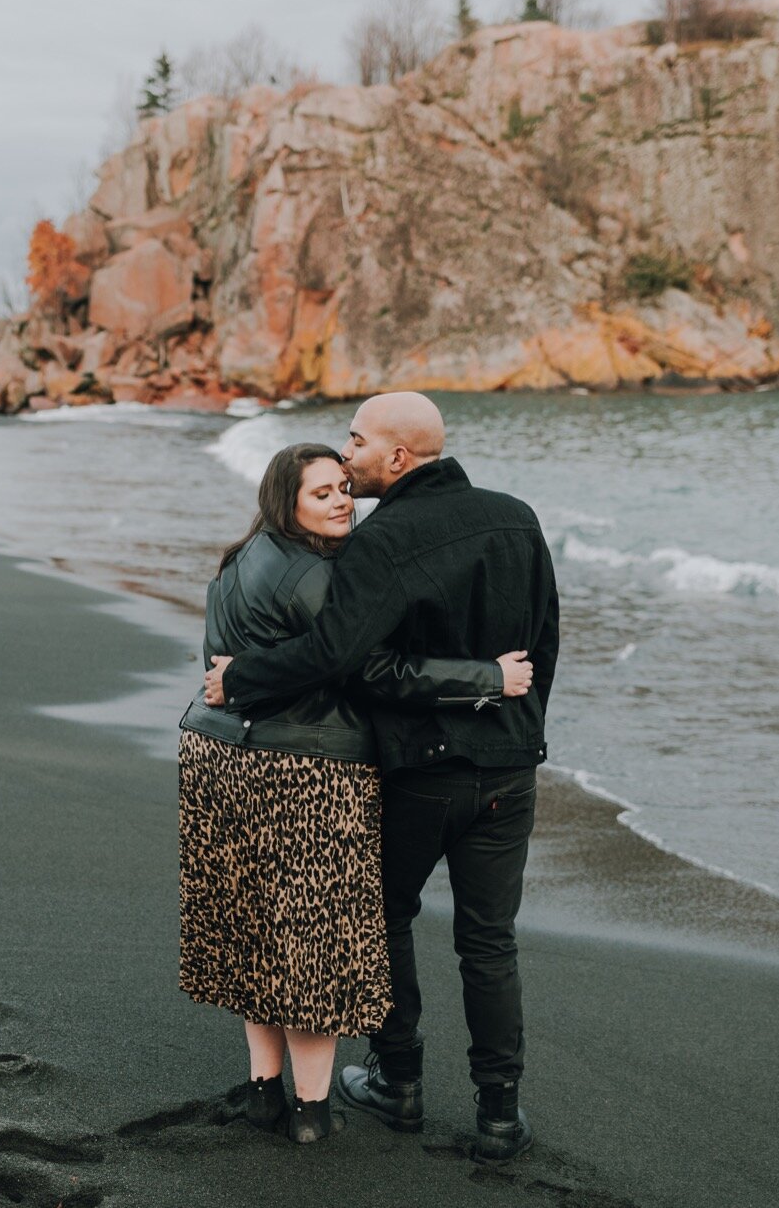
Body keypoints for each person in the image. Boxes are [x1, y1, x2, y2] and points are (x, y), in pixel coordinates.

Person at [205, 392, 559, 1164]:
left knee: (386, 919)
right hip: (508, 767)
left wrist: (243, 678)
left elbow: (348, 660)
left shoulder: (382, 540)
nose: (349, 452)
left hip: (420, 772)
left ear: (397, 457)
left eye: (357, 441)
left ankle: (398, 1080)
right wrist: (515, 723)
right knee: (490, 942)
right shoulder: (518, 517)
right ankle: (500, 1114)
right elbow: (541, 646)